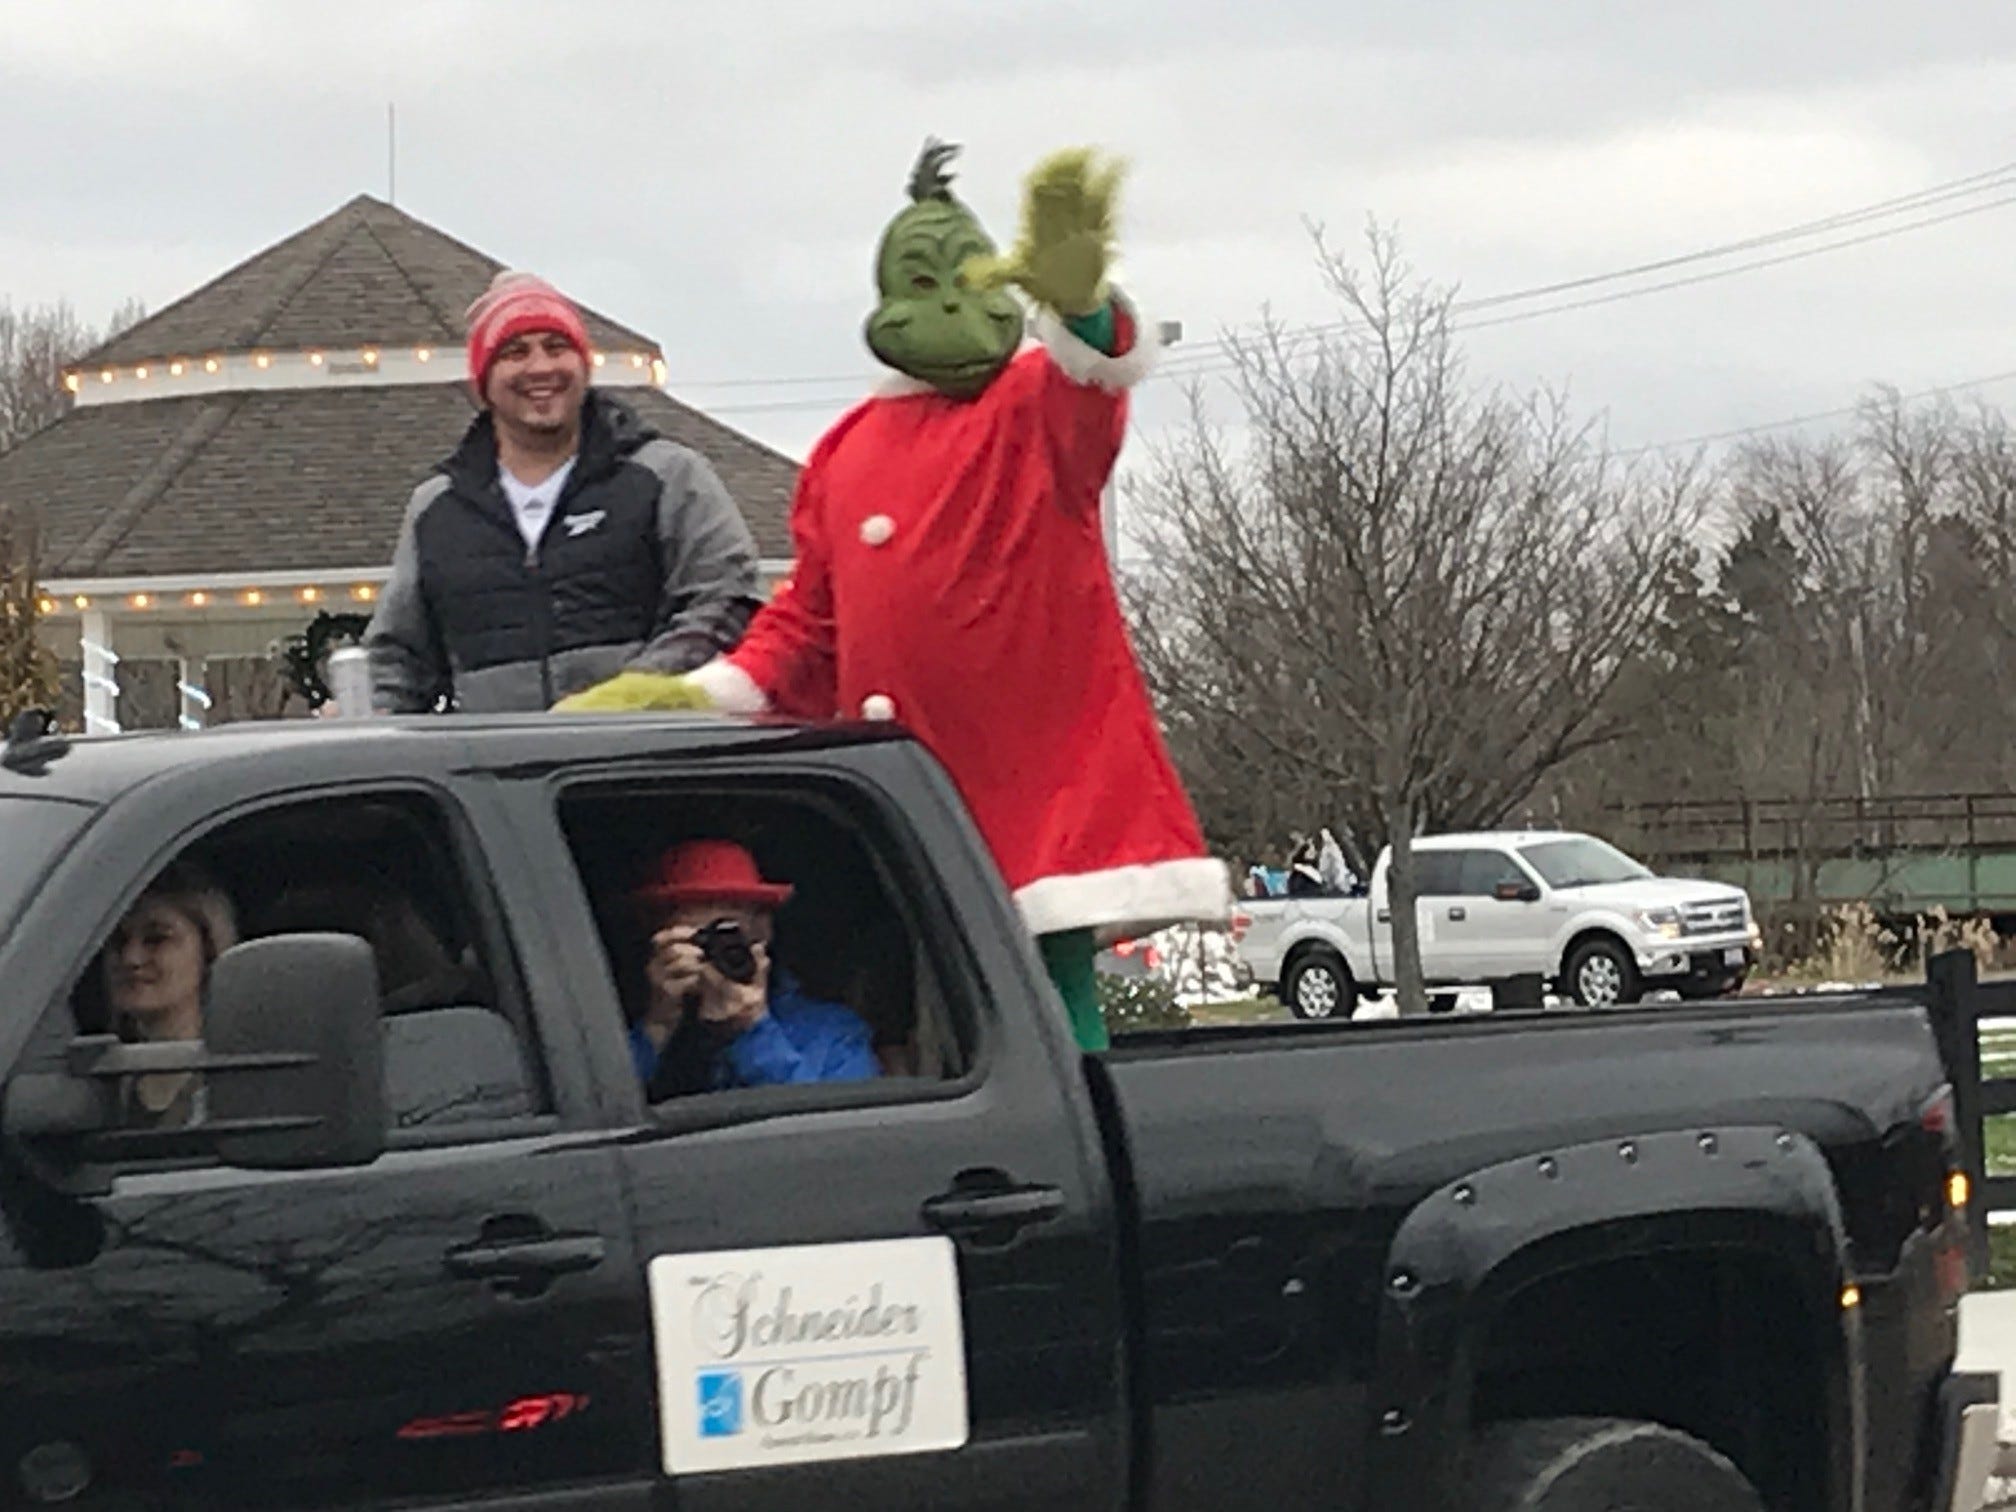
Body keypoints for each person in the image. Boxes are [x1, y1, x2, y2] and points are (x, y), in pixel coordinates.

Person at [556, 142, 1230, 1053]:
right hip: (899, 801)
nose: (952, 304)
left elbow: (1092, 393)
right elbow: (809, 626)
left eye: (968, 279)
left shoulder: (1030, 403)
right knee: (923, 1026)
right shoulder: (847, 449)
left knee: (1046, 1016)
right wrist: (694, 693)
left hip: (1028, 790)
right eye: (926, 281)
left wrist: (1085, 306)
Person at [365, 271, 763, 713]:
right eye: (514, 353)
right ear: (484, 381)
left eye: (557, 348)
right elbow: (397, 659)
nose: (540, 367)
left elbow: (726, 600)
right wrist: (367, 719)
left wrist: (635, 695)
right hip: (495, 772)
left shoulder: (666, 474)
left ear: (583, 365)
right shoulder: (438, 507)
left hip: (648, 759)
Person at [626, 839, 880, 1098]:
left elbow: (833, 1131)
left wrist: (754, 1030)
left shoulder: (832, 1034)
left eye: (731, 938)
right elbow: (597, 1109)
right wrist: (656, 1027)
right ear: (660, 937)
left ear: (763, 929)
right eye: (702, 940)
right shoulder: (606, 1020)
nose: (717, 953)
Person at [99, 861, 239, 1129]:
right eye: (118, 941)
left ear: (208, 951)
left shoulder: (236, 1081)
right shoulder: (97, 1086)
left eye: (156, 939)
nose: (132, 958)